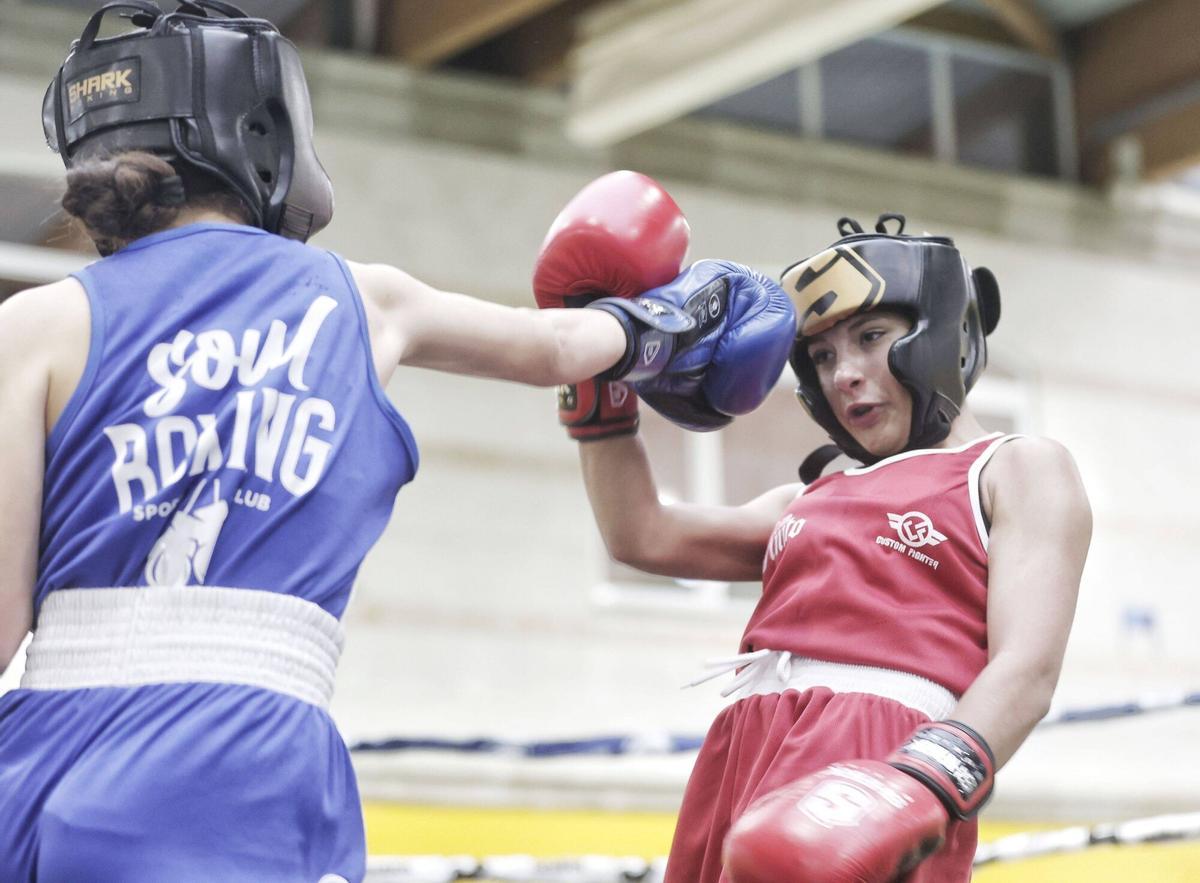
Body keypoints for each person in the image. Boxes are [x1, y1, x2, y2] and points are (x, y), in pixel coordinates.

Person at [0, 2, 797, 881]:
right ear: (265, 129)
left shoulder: (35, 323)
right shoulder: (367, 298)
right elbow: (564, 349)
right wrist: (682, 314)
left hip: (43, 755)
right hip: (237, 760)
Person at [538, 209, 1092, 882]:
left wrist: (916, 782)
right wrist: (603, 371)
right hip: (743, 758)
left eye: (871, 336)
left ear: (942, 334)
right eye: (823, 356)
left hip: (881, 763)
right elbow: (641, 533)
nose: (845, 373)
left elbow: (1027, 669)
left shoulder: (1014, 466)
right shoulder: (810, 496)